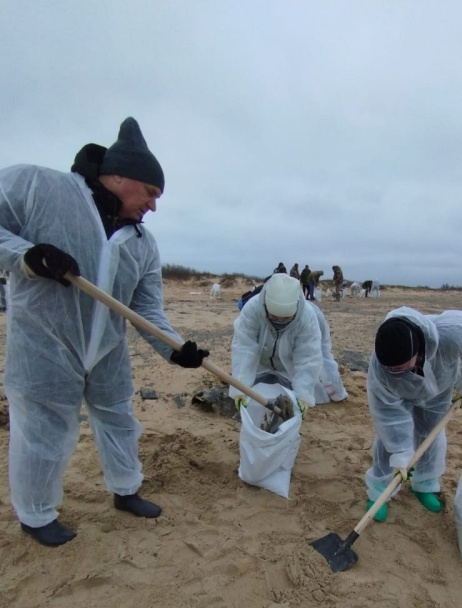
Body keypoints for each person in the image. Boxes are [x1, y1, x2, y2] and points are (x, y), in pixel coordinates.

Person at [0, 117, 210, 548]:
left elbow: (146, 308)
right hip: (44, 344)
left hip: (107, 350)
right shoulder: (40, 186)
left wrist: (176, 351)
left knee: (118, 419)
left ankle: (126, 489)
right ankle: (36, 514)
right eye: (151, 193)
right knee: (42, 429)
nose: (154, 206)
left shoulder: (142, 243)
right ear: (119, 177)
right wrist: (27, 255)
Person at [365, 307, 462, 517]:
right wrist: (401, 453)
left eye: (401, 368)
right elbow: (387, 414)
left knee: (431, 434)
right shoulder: (379, 368)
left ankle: (425, 483)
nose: (396, 372)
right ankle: (379, 491)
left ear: (417, 351)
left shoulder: (454, 334)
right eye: (391, 369)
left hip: (439, 391)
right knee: (386, 440)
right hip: (399, 396)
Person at [229, 273, 325, 412]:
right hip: (259, 364)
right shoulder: (253, 309)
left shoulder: (307, 317)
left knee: (291, 405)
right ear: (266, 306)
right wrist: (241, 386)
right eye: (273, 317)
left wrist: (303, 394)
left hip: (288, 368)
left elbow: (308, 356)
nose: (279, 321)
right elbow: (244, 347)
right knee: (253, 404)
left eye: (286, 318)